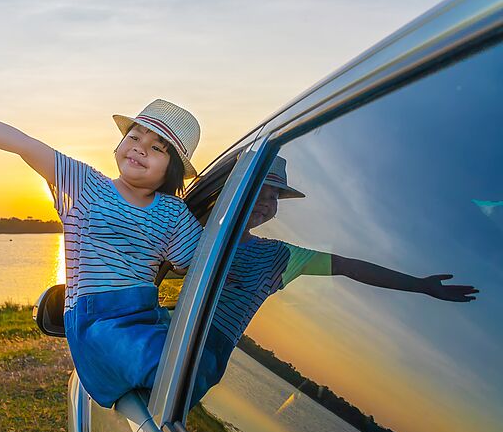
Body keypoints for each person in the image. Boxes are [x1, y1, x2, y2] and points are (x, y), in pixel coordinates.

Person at [0, 77, 205, 407]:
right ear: (118, 146)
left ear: (172, 169)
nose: (139, 147)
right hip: (98, 324)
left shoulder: (174, 213)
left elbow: (209, 263)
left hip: (143, 315)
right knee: (170, 366)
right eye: (134, 136)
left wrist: (256, 211)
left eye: (156, 147)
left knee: (197, 355)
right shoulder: (87, 184)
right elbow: (22, 143)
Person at [188, 155, 481, 405]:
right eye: (261, 192)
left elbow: (346, 266)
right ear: (237, 192)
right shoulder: (196, 232)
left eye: (274, 197)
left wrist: (420, 285)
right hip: (167, 329)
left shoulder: (276, 257)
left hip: (201, 358)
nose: (267, 204)